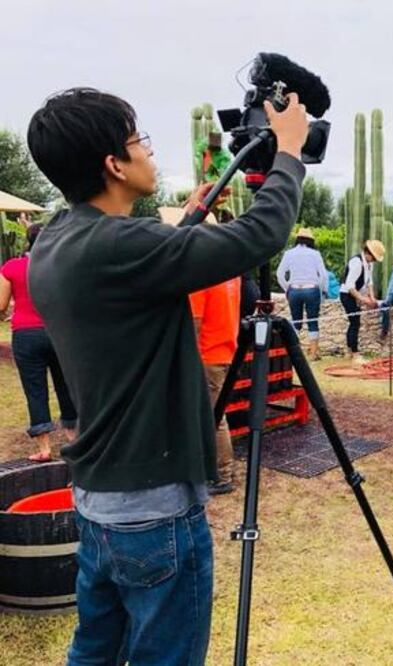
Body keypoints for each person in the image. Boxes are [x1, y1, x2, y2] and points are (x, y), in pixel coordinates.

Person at [26, 87, 308, 664]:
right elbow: (258, 237)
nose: (150, 155)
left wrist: (192, 215)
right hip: (153, 510)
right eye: (140, 142)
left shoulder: (54, 240)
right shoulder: (121, 247)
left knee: (95, 651)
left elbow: (142, 257)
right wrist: (291, 153)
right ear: (114, 164)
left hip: (99, 498)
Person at [0, 223, 77, 461]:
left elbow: (0, 305)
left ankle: (44, 449)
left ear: (28, 240)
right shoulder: (63, 266)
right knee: (66, 386)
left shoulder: (11, 267)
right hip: (59, 332)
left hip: (26, 335)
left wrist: (7, 313)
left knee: (35, 390)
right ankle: (74, 442)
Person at [190, 275, 240, 495]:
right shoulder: (231, 273)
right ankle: (217, 469)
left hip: (207, 355)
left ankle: (221, 474)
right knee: (216, 414)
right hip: (226, 350)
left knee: (213, 417)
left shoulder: (200, 278)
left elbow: (195, 321)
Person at [276, 227, 328, 360]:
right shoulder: (315, 254)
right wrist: (322, 291)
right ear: (311, 241)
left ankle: (294, 353)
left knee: (296, 322)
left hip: (294, 290)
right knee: (312, 322)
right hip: (311, 289)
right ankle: (313, 353)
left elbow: (280, 274)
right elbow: (323, 276)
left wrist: (287, 288)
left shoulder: (289, 253)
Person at [340, 239, 385, 362]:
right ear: (368, 253)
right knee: (355, 323)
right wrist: (364, 300)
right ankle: (354, 353)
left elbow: (369, 282)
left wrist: (372, 297)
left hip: (356, 294)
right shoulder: (356, 262)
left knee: (354, 323)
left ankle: (349, 351)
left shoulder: (368, 263)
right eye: (374, 257)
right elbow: (350, 286)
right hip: (347, 295)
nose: (374, 260)